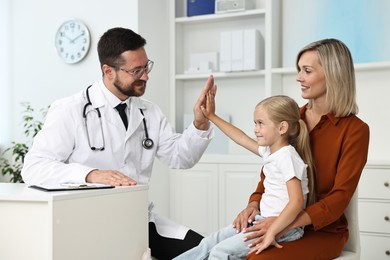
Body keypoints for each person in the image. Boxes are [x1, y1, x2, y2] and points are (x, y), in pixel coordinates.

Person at [21, 27, 217, 259]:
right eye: (136, 70)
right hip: (88, 224)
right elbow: (33, 168)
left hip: (137, 220)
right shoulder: (70, 110)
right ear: (108, 71)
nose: (145, 76)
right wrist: (91, 174)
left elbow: (180, 158)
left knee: (211, 252)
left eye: (146, 67)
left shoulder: (149, 112)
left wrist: (200, 124)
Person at [241, 39, 370, 259]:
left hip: (323, 232)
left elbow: (340, 197)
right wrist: (253, 203)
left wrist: (283, 224)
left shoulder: (355, 131)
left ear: (333, 74)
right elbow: (271, 171)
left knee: (257, 257)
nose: (299, 77)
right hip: (276, 220)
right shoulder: (291, 119)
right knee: (222, 250)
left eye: (307, 71)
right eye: (299, 70)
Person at [174, 94, 316, 259]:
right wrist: (211, 116)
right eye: (255, 123)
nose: (256, 129)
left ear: (282, 128)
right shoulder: (270, 152)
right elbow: (240, 138)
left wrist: (272, 231)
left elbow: (297, 202)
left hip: (286, 227)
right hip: (262, 219)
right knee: (209, 242)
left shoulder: (288, 157)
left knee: (220, 252)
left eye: (261, 124)